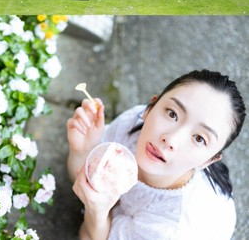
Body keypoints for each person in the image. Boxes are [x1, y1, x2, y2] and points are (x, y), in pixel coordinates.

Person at [67, 69, 246, 240]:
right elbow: (81, 182)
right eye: (172, 114)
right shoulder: (131, 126)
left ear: (209, 160)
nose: (171, 140)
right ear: (150, 107)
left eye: (199, 138)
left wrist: (97, 211)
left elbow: (94, 236)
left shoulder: (172, 229)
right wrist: (82, 150)